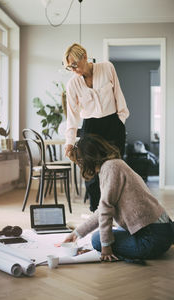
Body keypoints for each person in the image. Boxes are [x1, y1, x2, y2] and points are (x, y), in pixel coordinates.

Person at [63, 134, 174, 262]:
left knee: (96, 239)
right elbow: (102, 210)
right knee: (112, 231)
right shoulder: (115, 164)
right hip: (162, 231)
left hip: (151, 239)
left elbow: (105, 210)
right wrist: (77, 233)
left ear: (87, 160)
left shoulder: (110, 168)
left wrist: (106, 247)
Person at [63, 43, 129, 212]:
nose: (74, 69)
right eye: (70, 67)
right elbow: (72, 115)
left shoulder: (107, 68)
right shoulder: (72, 84)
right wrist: (69, 142)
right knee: (91, 172)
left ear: (84, 56)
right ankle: (96, 212)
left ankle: (117, 212)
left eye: (75, 64)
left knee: (115, 170)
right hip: (90, 127)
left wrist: (120, 120)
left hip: (113, 124)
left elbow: (118, 95)